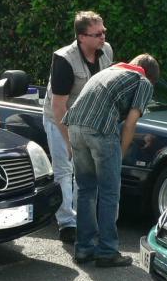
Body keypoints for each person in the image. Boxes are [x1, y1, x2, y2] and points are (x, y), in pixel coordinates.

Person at [64, 54, 160, 267]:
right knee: (109, 192)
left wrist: (135, 139)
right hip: (100, 132)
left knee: (86, 190)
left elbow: (99, 113)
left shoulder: (108, 72)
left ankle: (83, 248)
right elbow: (129, 124)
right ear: (151, 76)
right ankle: (107, 251)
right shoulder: (143, 81)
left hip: (75, 127)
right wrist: (121, 154)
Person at [42, 11, 113, 245]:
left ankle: (83, 221)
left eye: (104, 31)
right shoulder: (63, 59)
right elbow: (59, 105)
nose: (103, 36)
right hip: (60, 118)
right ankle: (67, 224)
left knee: (86, 173)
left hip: (88, 120)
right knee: (64, 169)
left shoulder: (106, 51)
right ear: (82, 37)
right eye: (97, 34)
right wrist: (70, 141)